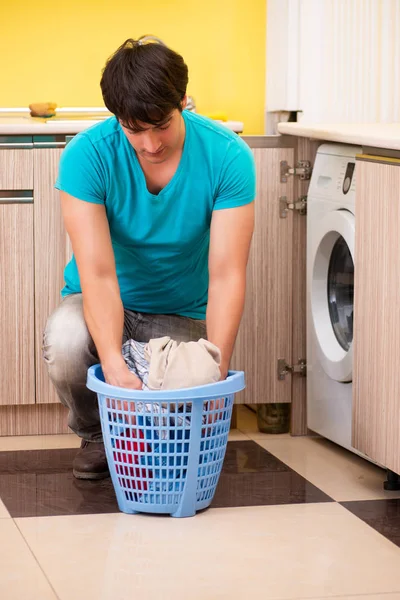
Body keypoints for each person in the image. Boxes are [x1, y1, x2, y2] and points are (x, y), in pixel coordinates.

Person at [43, 35, 255, 480]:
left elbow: (226, 275)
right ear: (116, 118)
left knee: (175, 415)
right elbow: (98, 275)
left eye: (161, 125)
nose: (150, 143)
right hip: (100, 301)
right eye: (134, 129)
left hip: (178, 309)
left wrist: (215, 370)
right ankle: (98, 435)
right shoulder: (88, 155)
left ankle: (144, 439)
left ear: (183, 102)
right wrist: (115, 368)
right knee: (64, 340)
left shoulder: (227, 155)